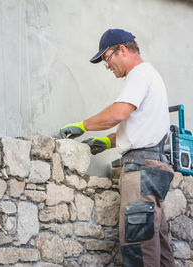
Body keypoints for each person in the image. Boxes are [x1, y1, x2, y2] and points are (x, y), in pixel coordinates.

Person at [59, 29, 175, 266]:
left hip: (142, 171)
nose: (106, 65)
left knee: (139, 249)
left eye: (106, 57)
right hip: (154, 168)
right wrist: (108, 141)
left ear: (122, 49)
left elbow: (119, 113)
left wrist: (84, 125)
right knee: (158, 248)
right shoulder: (150, 76)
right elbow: (140, 126)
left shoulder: (139, 74)